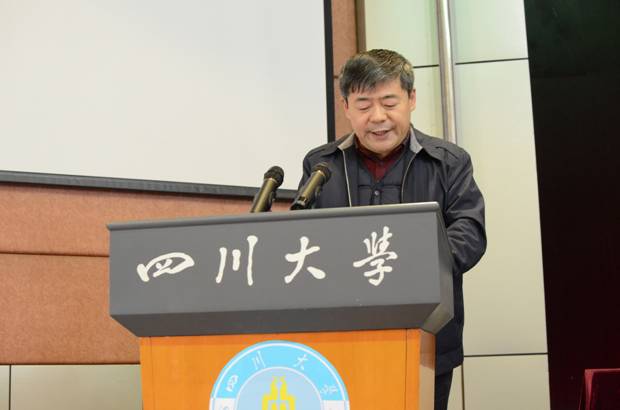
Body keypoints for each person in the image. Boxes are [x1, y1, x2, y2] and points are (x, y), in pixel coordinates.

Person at [297, 49, 486, 410]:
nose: (378, 117)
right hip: (339, 337)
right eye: (364, 105)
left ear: (411, 99)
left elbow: (470, 232)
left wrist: (406, 267)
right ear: (346, 106)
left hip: (426, 336)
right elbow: (304, 238)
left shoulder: (448, 162)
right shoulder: (321, 164)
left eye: (389, 102)